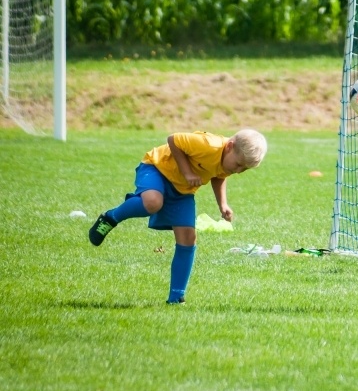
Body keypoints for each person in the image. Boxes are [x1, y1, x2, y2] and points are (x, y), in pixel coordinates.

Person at [88, 129, 268, 303]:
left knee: (188, 238)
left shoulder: (228, 159)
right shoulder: (208, 145)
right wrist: (188, 172)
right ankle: (111, 218)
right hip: (156, 168)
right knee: (152, 202)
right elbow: (173, 139)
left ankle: (176, 297)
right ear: (229, 146)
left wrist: (223, 204)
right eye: (238, 164)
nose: (238, 170)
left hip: (182, 189)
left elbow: (219, 175)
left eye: (244, 169)